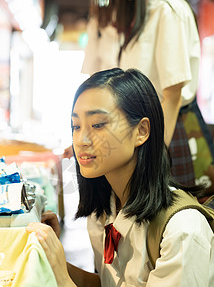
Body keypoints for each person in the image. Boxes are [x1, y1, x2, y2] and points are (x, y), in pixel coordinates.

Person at [26, 68, 214, 287]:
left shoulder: (182, 230)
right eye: (76, 126)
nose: (81, 140)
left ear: (141, 131)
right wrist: (53, 257)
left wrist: (62, 277)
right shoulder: (103, 213)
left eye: (98, 124)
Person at [82, 0, 214, 199]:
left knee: (170, 214)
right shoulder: (122, 9)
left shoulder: (167, 9)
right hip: (130, 131)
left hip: (167, 129)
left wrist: (154, 158)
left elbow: (172, 95)